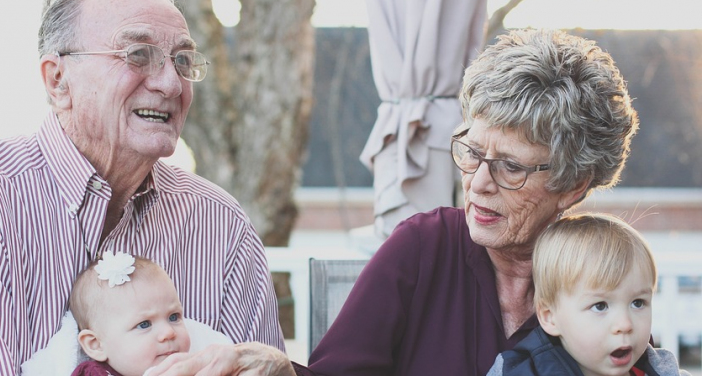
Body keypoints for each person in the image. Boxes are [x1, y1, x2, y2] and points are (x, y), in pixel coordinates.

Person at [145, 28, 640, 375]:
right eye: (471, 152)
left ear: (573, 186)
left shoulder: (606, 273)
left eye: (510, 166)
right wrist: (280, 370)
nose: (477, 184)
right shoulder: (424, 247)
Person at [0, 0, 283, 373]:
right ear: (57, 80)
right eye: (138, 54)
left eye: (183, 60)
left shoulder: (220, 222)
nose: (171, 83)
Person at [487, 213, 690, 376]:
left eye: (638, 303)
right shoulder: (522, 372)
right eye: (600, 306)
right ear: (550, 317)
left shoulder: (662, 371)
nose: (625, 324)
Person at [70, 252, 191, 376]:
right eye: (144, 324)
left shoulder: (194, 367)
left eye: (173, 317)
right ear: (96, 345)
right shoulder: (94, 373)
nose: (169, 332)